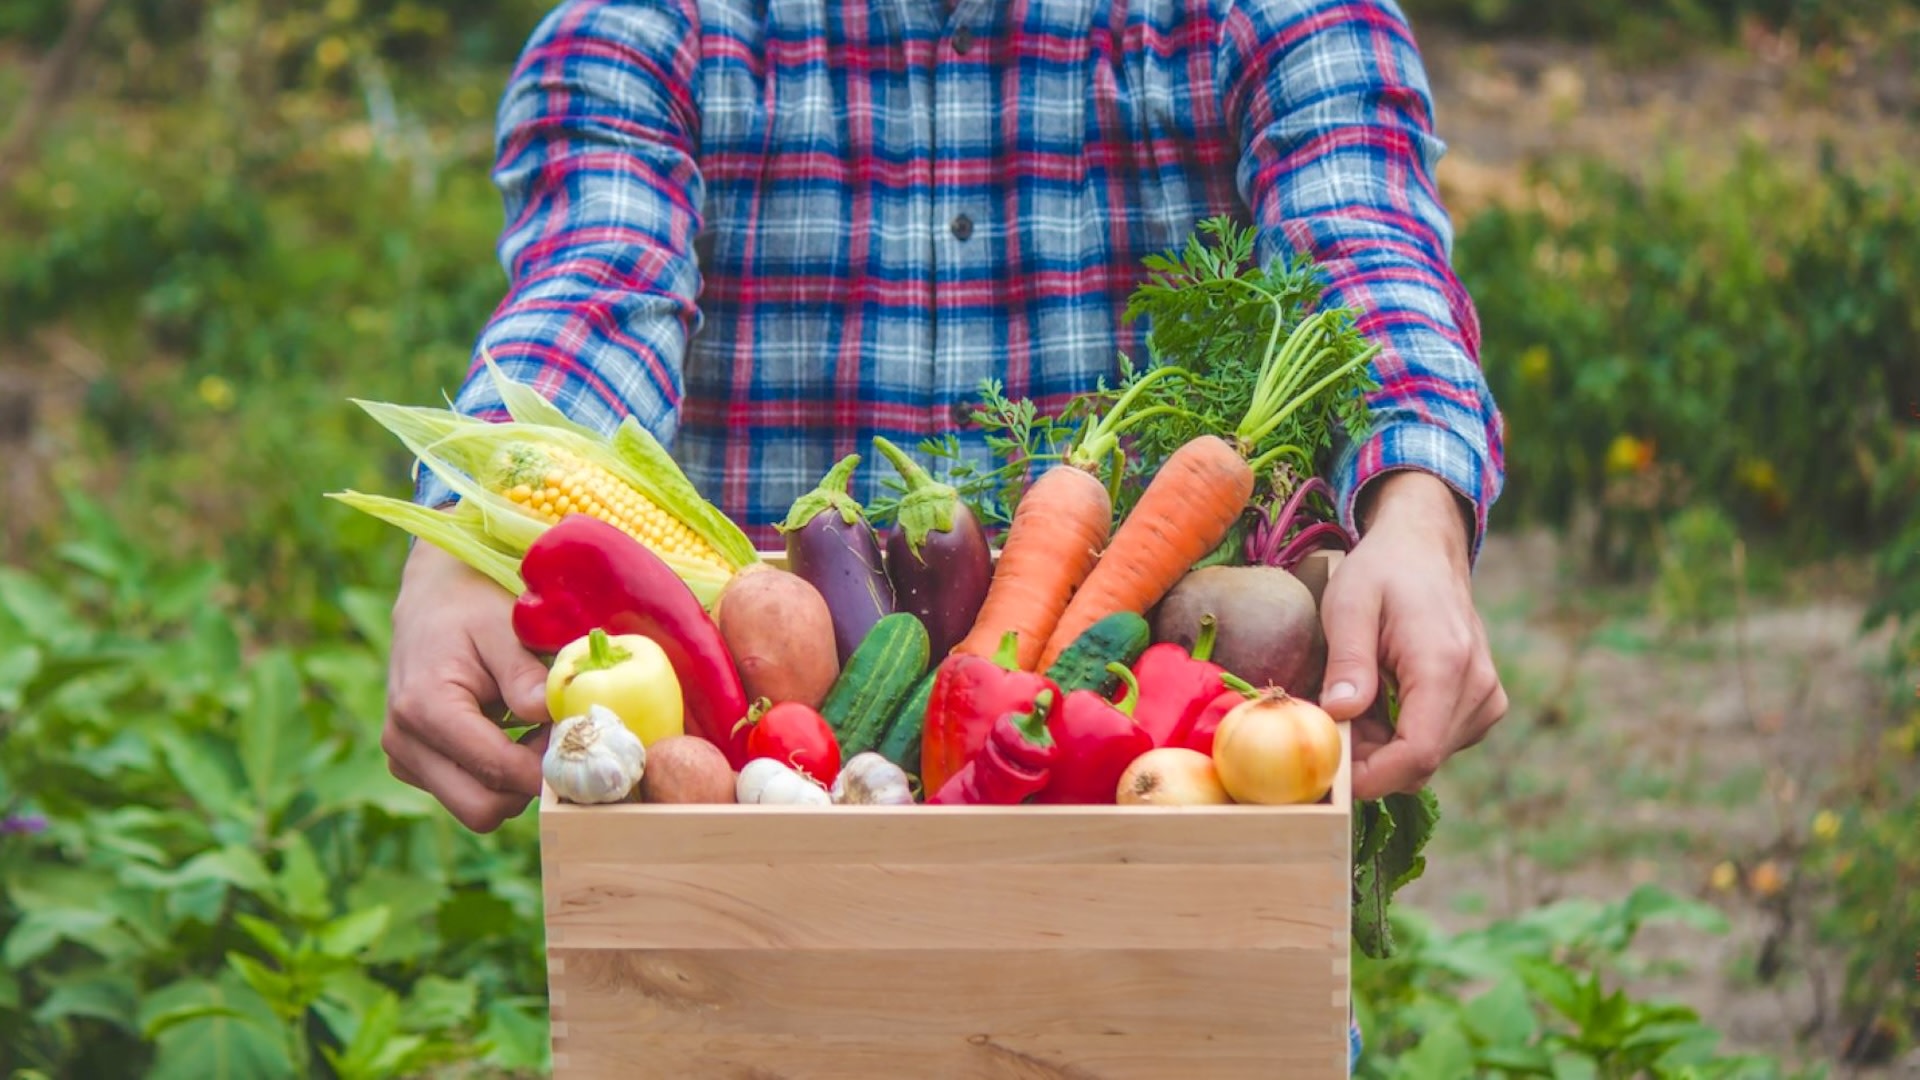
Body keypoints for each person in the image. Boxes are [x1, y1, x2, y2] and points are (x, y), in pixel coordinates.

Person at [383, 0, 1508, 836]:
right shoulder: (646, 32)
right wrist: (468, 536)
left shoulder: (1270, 19)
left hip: (1159, 852)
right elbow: (596, 290)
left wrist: (1419, 515)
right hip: (763, 875)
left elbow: (1363, 259)